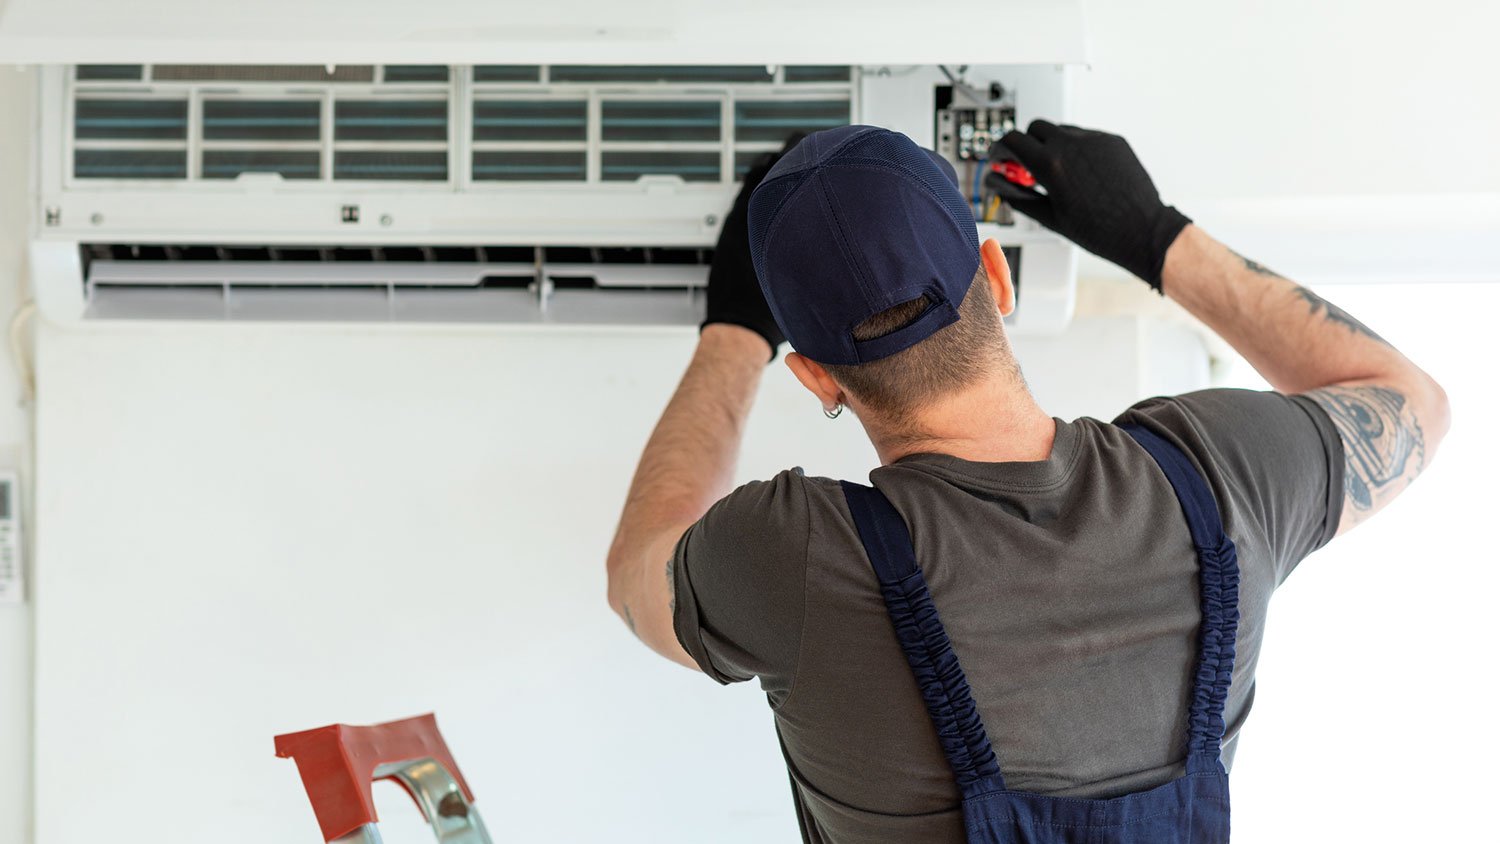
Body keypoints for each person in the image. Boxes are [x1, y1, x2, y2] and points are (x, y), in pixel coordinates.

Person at [605, 122, 1449, 842]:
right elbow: (1414, 403)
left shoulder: (790, 554)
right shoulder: (1221, 473)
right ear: (998, 276)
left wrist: (730, 337)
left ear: (816, 378)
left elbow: (637, 577)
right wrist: (1154, 237)